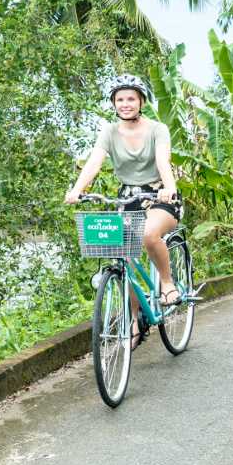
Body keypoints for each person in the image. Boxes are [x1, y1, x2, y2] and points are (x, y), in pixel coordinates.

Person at [65, 74, 184, 313]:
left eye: (131, 98)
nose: (125, 104)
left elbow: (163, 160)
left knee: (150, 234)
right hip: (128, 199)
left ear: (141, 101)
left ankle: (167, 283)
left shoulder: (157, 130)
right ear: (114, 103)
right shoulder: (109, 132)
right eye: (120, 99)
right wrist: (77, 190)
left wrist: (169, 188)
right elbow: (94, 162)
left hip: (159, 197)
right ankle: (134, 320)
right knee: (119, 258)